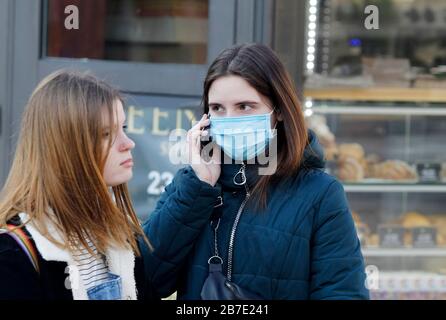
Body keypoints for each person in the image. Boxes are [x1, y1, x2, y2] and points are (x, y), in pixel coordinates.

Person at [143, 43, 370, 300]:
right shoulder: (192, 186)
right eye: (217, 108)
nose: (229, 119)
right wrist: (198, 188)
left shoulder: (320, 194)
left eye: (245, 106)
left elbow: (343, 293)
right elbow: (145, 282)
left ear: (280, 111)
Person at [0, 70, 164, 300]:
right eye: (107, 134)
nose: (128, 143)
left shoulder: (120, 234)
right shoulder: (12, 254)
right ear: (64, 147)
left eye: (123, 129)